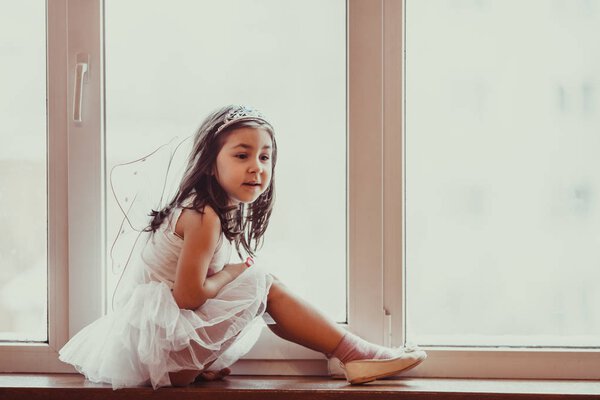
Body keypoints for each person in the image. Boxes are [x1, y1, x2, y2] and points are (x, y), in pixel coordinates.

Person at [58, 105, 426, 390]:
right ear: (210, 163)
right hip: (163, 355)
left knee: (264, 282)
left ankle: (345, 353)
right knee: (262, 280)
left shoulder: (208, 212)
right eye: (241, 155)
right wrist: (234, 272)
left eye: (265, 157)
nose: (256, 167)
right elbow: (187, 297)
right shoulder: (203, 216)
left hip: (159, 352)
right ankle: (351, 352)